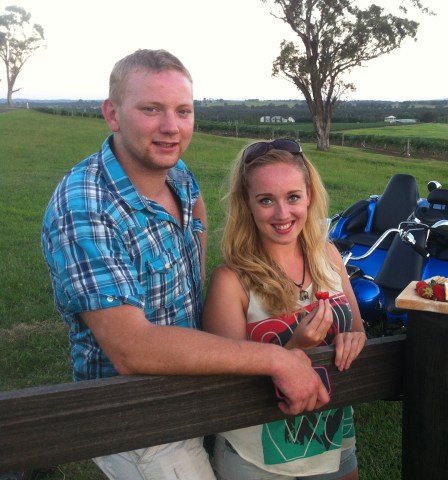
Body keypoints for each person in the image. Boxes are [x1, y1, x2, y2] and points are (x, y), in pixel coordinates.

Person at [41, 49, 329, 480]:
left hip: (195, 385)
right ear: (113, 114)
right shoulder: (84, 206)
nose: (171, 127)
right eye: (151, 109)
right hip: (141, 419)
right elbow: (130, 348)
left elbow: (195, 213)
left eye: (183, 111)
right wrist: (277, 359)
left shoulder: (177, 176)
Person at [202, 140, 367, 480]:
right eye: (266, 200)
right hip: (257, 458)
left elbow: (358, 329)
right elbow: (223, 389)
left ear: (309, 195)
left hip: (332, 437)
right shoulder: (231, 281)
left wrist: (355, 338)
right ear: (247, 204)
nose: (282, 214)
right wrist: (294, 348)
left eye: (293, 197)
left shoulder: (329, 257)